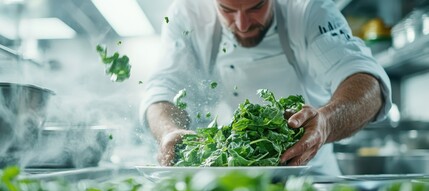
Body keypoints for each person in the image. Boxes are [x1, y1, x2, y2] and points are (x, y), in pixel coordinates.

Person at [140, 0, 392, 175]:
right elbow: (163, 87)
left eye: (256, 6)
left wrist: (325, 123)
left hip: (310, 179)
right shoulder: (186, 13)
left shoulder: (308, 9)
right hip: (225, 181)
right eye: (227, 9)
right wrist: (168, 131)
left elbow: (368, 84)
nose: (242, 24)